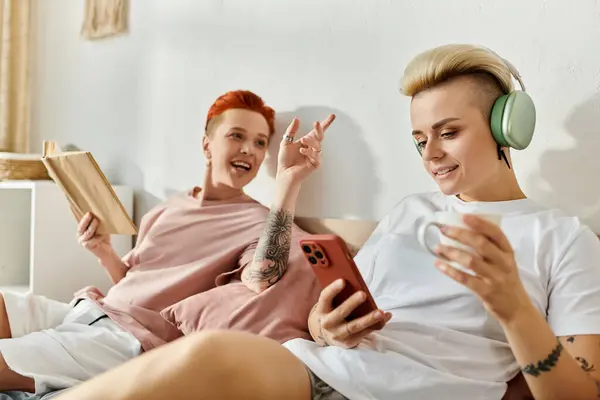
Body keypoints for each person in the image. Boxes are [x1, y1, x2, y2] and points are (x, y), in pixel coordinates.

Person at [55, 44, 600, 400]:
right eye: (419, 139)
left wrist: (514, 309)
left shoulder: (563, 239)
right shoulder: (410, 212)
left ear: (507, 126)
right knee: (201, 357)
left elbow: (580, 391)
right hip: (316, 369)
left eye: (448, 132)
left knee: (206, 357)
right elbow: (328, 316)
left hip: (408, 391)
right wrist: (326, 324)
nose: (430, 153)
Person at [0, 90, 335, 396]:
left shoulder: (259, 222)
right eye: (237, 135)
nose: (249, 149)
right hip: (89, 309)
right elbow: (135, 280)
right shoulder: (169, 207)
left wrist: (289, 184)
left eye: (260, 143)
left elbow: (261, 277)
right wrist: (102, 250)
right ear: (206, 144)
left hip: (127, 340)